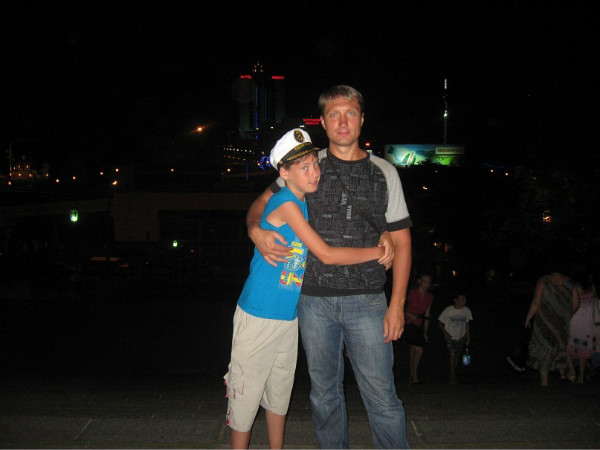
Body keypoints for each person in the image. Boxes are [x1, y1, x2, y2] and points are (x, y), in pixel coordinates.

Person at [246, 85, 412, 449]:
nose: (343, 122)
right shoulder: (307, 165)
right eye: (334, 115)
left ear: (362, 119)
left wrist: (398, 304)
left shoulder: (384, 171)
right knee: (324, 396)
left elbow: (402, 242)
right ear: (322, 122)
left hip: (368, 300)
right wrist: (254, 229)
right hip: (313, 300)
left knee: (382, 397)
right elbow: (262, 201)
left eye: (350, 113)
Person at [224, 128, 388, 449]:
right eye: (304, 167)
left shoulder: (303, 200)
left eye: (315, 164)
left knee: (279, 396)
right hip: (258, 314)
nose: (314, 173)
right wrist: (378, 252)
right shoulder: (286, 202)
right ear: (284, 173)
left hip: (288, 316)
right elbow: (326, 254)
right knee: (245, 397)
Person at [524, 272, 579, 386]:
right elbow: (576, 303)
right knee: (560, 347)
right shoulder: (570, 282)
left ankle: (544, 382)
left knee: (545, 348)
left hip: (545, 321)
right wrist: (566, 314)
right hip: (562, 323)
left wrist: (528, 317)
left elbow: (536, 302)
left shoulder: (543, 281)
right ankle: (563, 374)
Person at [566, 272, 598, 383]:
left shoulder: (576, 287)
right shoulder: (592, 288)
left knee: (569, 345)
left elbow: (575, 304)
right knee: (583, 351)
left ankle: (572, 371)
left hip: (577, 319)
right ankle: (581, 377)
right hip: (588, 322)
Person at [404, 273, 434, 384]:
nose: (427, 284)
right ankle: (414, 375)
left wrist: (425, 332)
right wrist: (410, 315)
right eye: (424, 281)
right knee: (418, 349)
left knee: (414, 349)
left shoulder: (429, 297)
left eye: (428, 282)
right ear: (419, 281)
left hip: (418, 324)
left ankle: (412, 373)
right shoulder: (412, 293)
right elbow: (402, 308)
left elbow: (427, 315)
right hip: (408, 323)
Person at [438, 292, 472, 384]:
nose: (463, 302)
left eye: (464, 300)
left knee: (457, 356)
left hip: (460, 336)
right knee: (452, 354)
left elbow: (467, 325)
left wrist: (468, 337)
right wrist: (445, 333)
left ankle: (452, 372)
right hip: (450, 336)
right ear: (456, 300)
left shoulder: (466, 311)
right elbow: (440, 322)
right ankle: (453, 376)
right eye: (461, 300)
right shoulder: (449, 310)